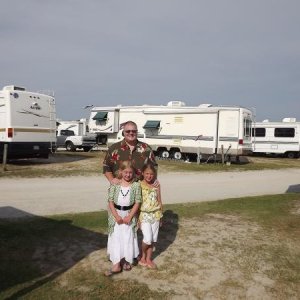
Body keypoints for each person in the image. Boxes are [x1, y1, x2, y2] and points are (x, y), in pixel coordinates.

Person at [105, 161, 142, 276]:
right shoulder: (115, 184)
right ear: (121, 172)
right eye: (125, 172)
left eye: (130, 172)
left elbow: (137, 202)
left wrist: (130, 216)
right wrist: (116, 216)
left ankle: (126, 259)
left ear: (133, 173)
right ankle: (116, 264)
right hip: (116, 215)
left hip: (128, 216)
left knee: (127, 237)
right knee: (116, 237)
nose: (128, 175)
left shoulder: (136, 185)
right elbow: (110, 201)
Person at [138, 163, 163, 269]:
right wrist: (138, 219)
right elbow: (137, 203)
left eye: (151, 174)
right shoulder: (138, 185)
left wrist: (161, 216)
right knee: (147, 239)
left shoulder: (157, 185)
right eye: (147, 173)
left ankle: (148, 258)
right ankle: (141, 253)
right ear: (143, 173)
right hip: (144, 215)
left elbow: (159, 201)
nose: (149, 176)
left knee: (152, 239)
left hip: (156, 215)